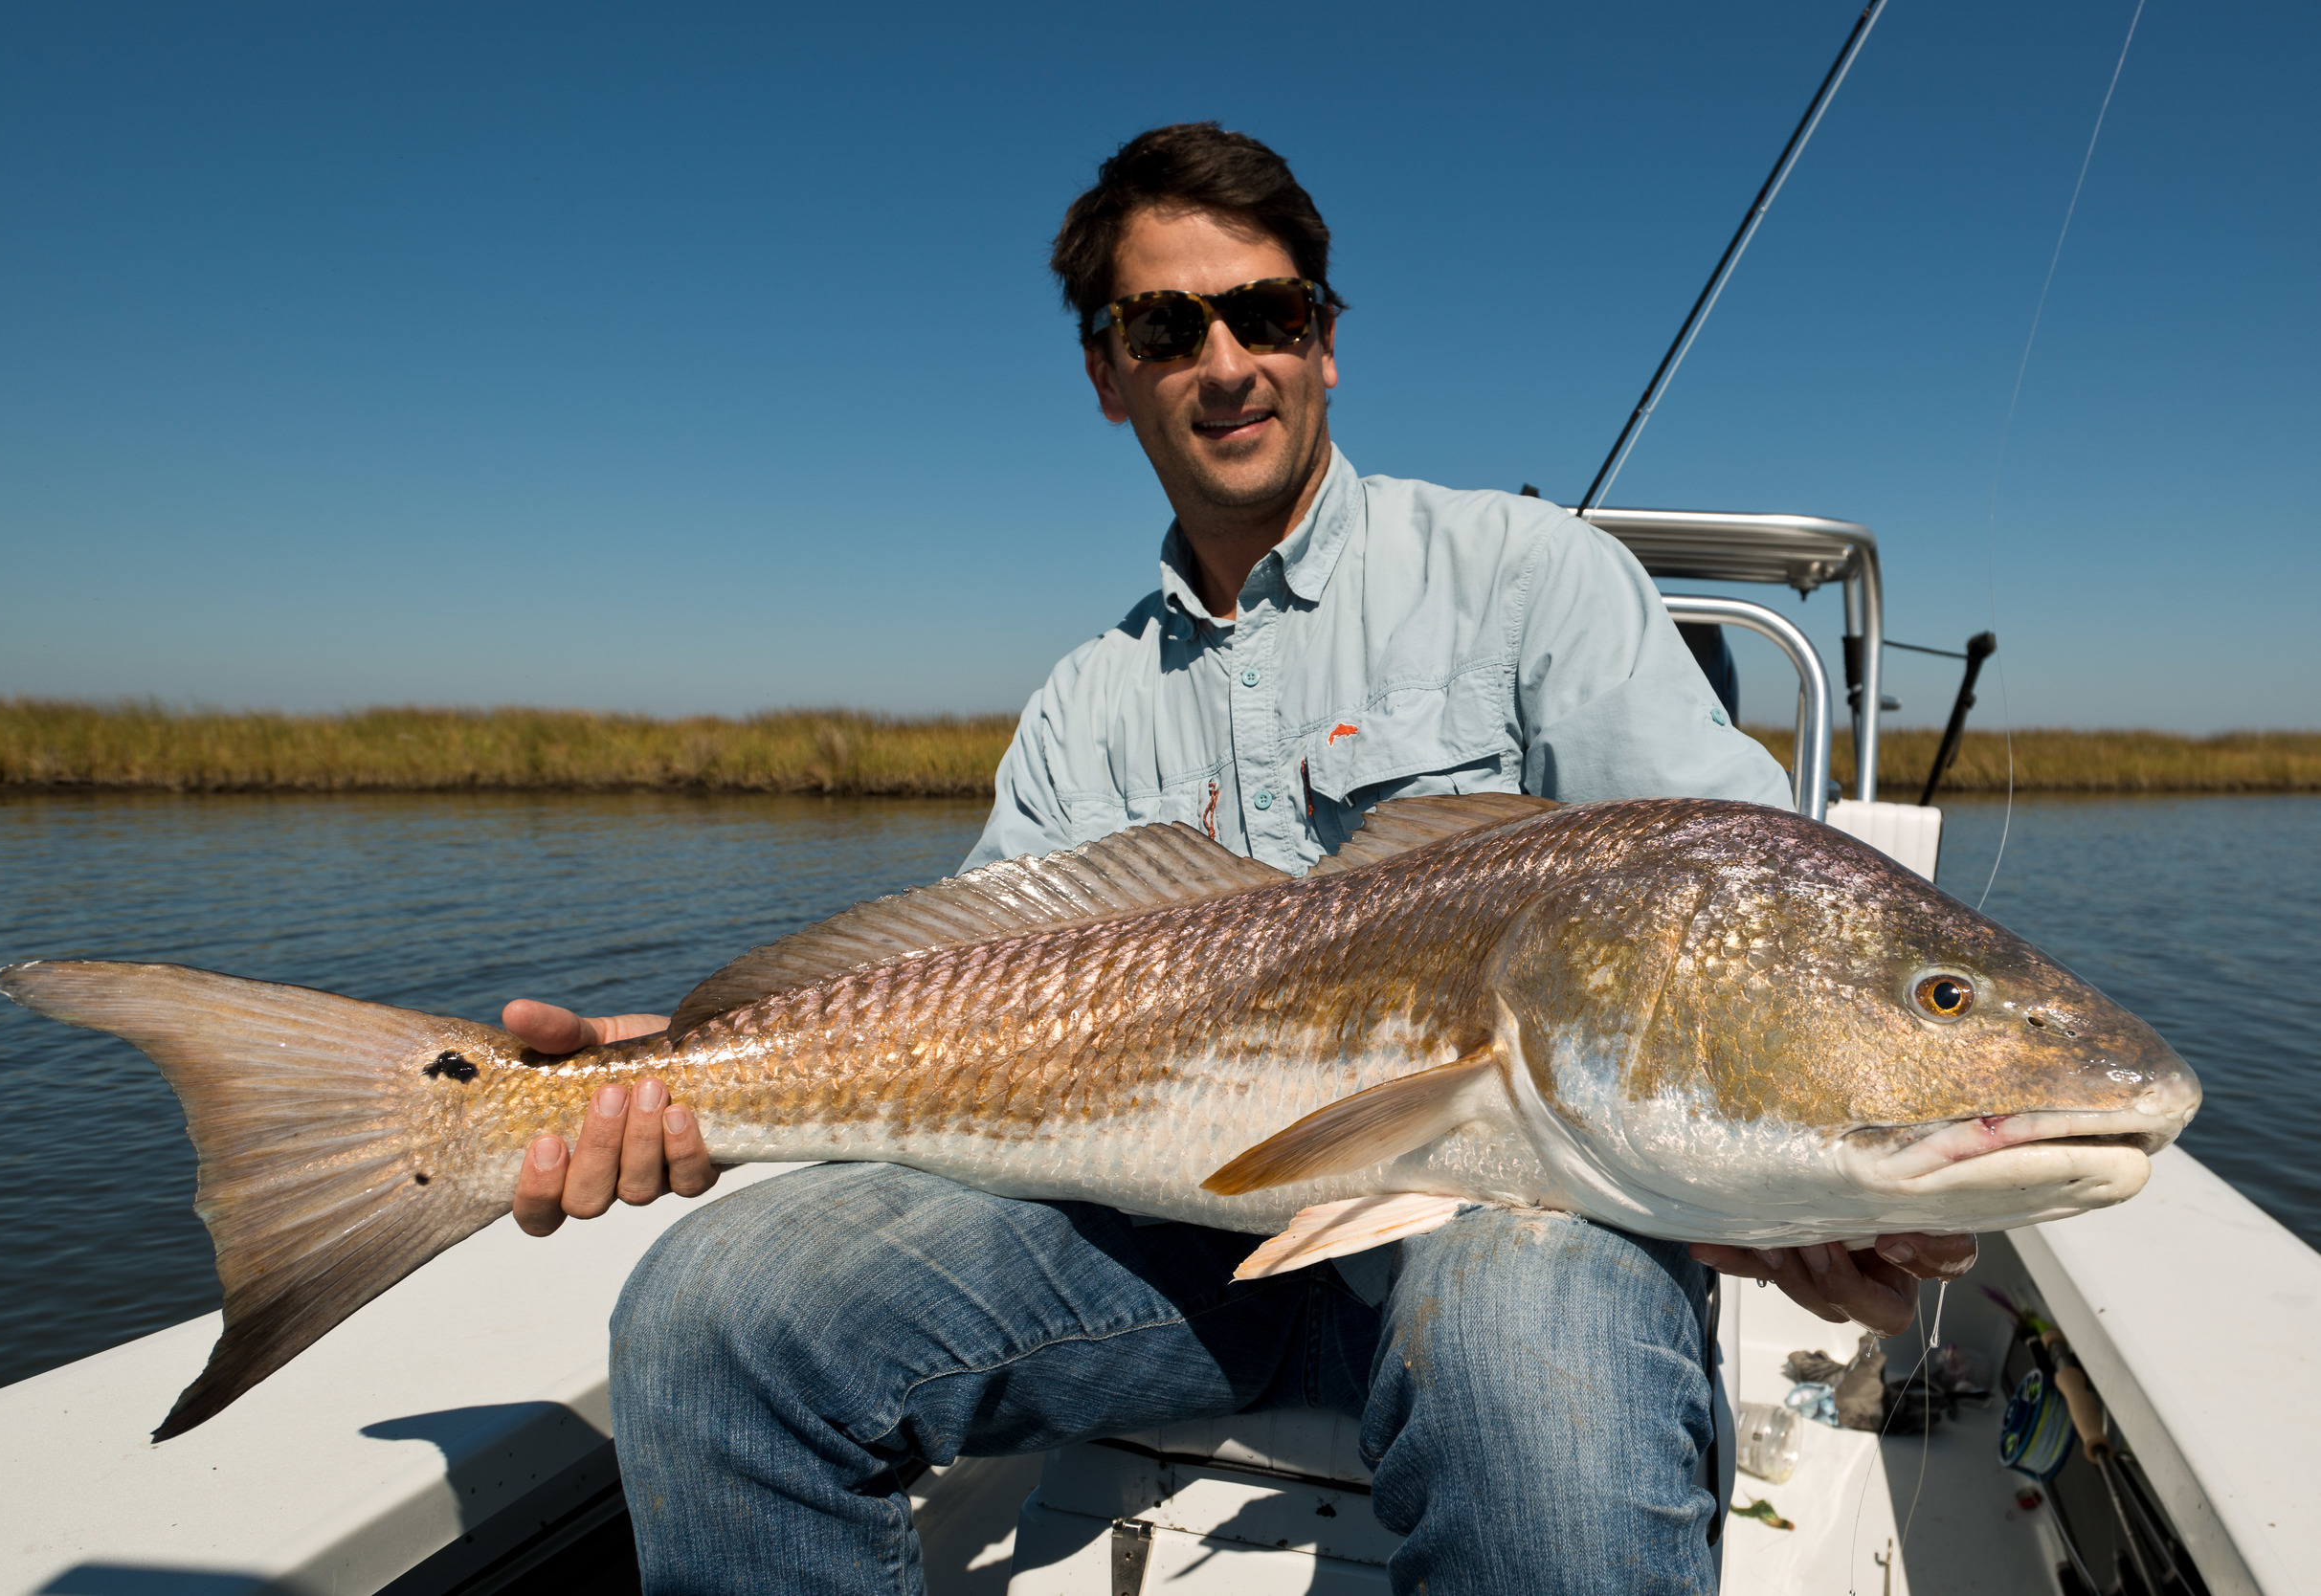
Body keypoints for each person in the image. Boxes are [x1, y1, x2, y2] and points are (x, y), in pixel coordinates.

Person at [502, 123, 1975, 1595]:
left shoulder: (1533, 580)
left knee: (1529, 1333)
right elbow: (940, 1006)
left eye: (1269, 314)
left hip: (1501, 1228)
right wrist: (676, 1060)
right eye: (1167, 325)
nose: (1228, 362)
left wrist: (1791, 1198)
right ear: (1107, 372)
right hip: (1170, 1250)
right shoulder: (1086, 706)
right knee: (712, 1314)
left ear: (1326, 341)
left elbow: (1747, 913)